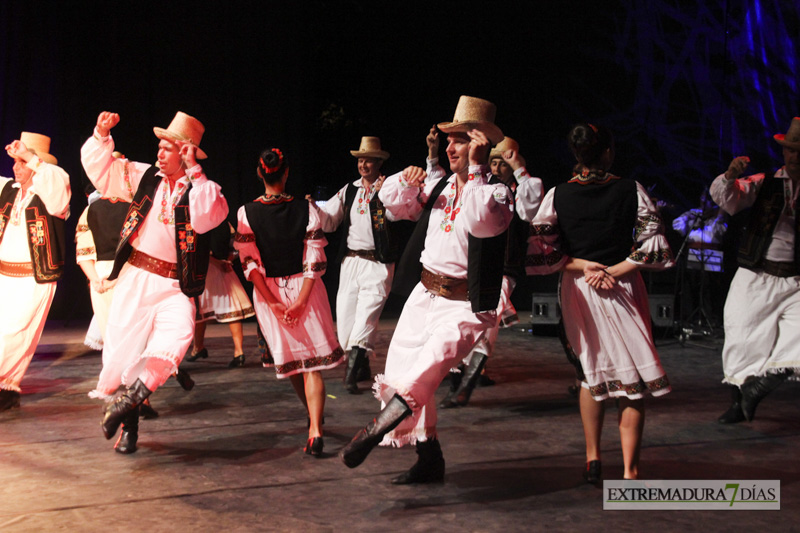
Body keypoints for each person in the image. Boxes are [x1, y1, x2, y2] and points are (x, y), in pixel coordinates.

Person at [340, 95, 515, 484]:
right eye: (449, 139)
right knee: (404, 372)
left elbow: (482, 222)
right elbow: (392, 206)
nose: (450, 147)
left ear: (480, 145)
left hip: (465, 306)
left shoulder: (496, 192)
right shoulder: (442, 185)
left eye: (460, 140)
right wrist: (406, 178)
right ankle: (430, 458)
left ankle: (375, 430)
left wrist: (479, 171)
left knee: (425, 373)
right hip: (424, 296)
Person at [527, 123, 673, 482]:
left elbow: (543, 248)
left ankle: (593, 461)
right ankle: (629, 471)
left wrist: (584, 267)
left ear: (576, 155)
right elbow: (653, 242)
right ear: (607, 152)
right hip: (621, 286)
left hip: (580, 288)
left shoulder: (558, 194)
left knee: (590, 373)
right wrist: (615, 269)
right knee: (631, 378)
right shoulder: (630, 189)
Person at [81, 111, 228, 453]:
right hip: (137, 277)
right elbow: (102, 173)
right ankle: (129, 429)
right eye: (159, 147)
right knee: (128, 353)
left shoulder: (199, 188)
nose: (160, 153)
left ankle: (123, 403)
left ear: (185, 153)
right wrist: (102, 134)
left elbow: (210, 218)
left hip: (175, 285)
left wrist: (195, 171)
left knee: (177, 339)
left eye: (168, 148)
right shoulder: (143, 175)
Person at [234, 147, 343, 457]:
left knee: (296, 363)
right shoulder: (305, 209)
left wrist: (275, 303)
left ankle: (314, 423)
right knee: (309, 364)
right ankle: (315, 428)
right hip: (304, 289)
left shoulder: (246, 213)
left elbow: (251, 266)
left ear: (260, 173)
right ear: (286, 173)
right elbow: (313, 257)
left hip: (271, 294)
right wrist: (301, 301)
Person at [710, 116, 800, 424]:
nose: (794, 157)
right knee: (741, 338)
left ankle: (758, 389)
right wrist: (729, 177)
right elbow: (729, 199)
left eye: (799, 152)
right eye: (790, 151)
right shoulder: (765, 183)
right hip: (757, 275)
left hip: (796, 280)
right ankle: (738, 404)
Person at [436, 135, 534, 408]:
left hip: (501, 270)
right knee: (460, 325)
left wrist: (520, 169)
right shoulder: (478, 188)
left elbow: (531, 206)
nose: (496, 168)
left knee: (483, 326)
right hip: (471, 270)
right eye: (492, 162)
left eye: (502, 163)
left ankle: (464, 387)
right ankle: (459, 380)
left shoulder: (514, 190)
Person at [316, 136, 397, 394]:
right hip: (351, 262)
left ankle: (349, 376)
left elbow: (400, 211)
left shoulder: (388, 188)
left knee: (365, 319)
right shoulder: (349, 190)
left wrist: (386, 193)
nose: (363, 164)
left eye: (368, 160)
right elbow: (329, 221)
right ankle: (362, 366)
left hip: (377, 263)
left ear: (378, 163)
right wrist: (313, 208)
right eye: (360, 160)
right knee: (346, 323)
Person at [0, 133, 70, 412]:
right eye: (15, 162)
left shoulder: (52, 191)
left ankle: (6, 384)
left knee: (15, 332)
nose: (17, 167)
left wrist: (31, 157)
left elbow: (57, 183)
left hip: (34, 277)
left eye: (23, 162)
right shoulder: (8, 190)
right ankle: (6, 388)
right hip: (4, 275)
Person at [187, 220, 255, 368]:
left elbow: (197, 250)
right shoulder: (225, 223)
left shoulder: (198, 223)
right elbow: (236, 246)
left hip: (206, 270)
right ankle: (238, 351)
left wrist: (221, 261)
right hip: (223, 268)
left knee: (202, 310)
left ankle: (198, 348)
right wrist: (227, 260)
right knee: (230, 309)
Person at [671, 188, 728, 329]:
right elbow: (677, 226)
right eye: (703, 200)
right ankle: (689, 318)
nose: (704, 203)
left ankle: (710, 319)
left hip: (711, 255)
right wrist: (689, 216)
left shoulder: (718, 218)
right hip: (692, 255)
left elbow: (715, 234)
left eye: (708, 201)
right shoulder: (694, 216)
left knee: (709, 288)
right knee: (689, 287)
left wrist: (720, 212)